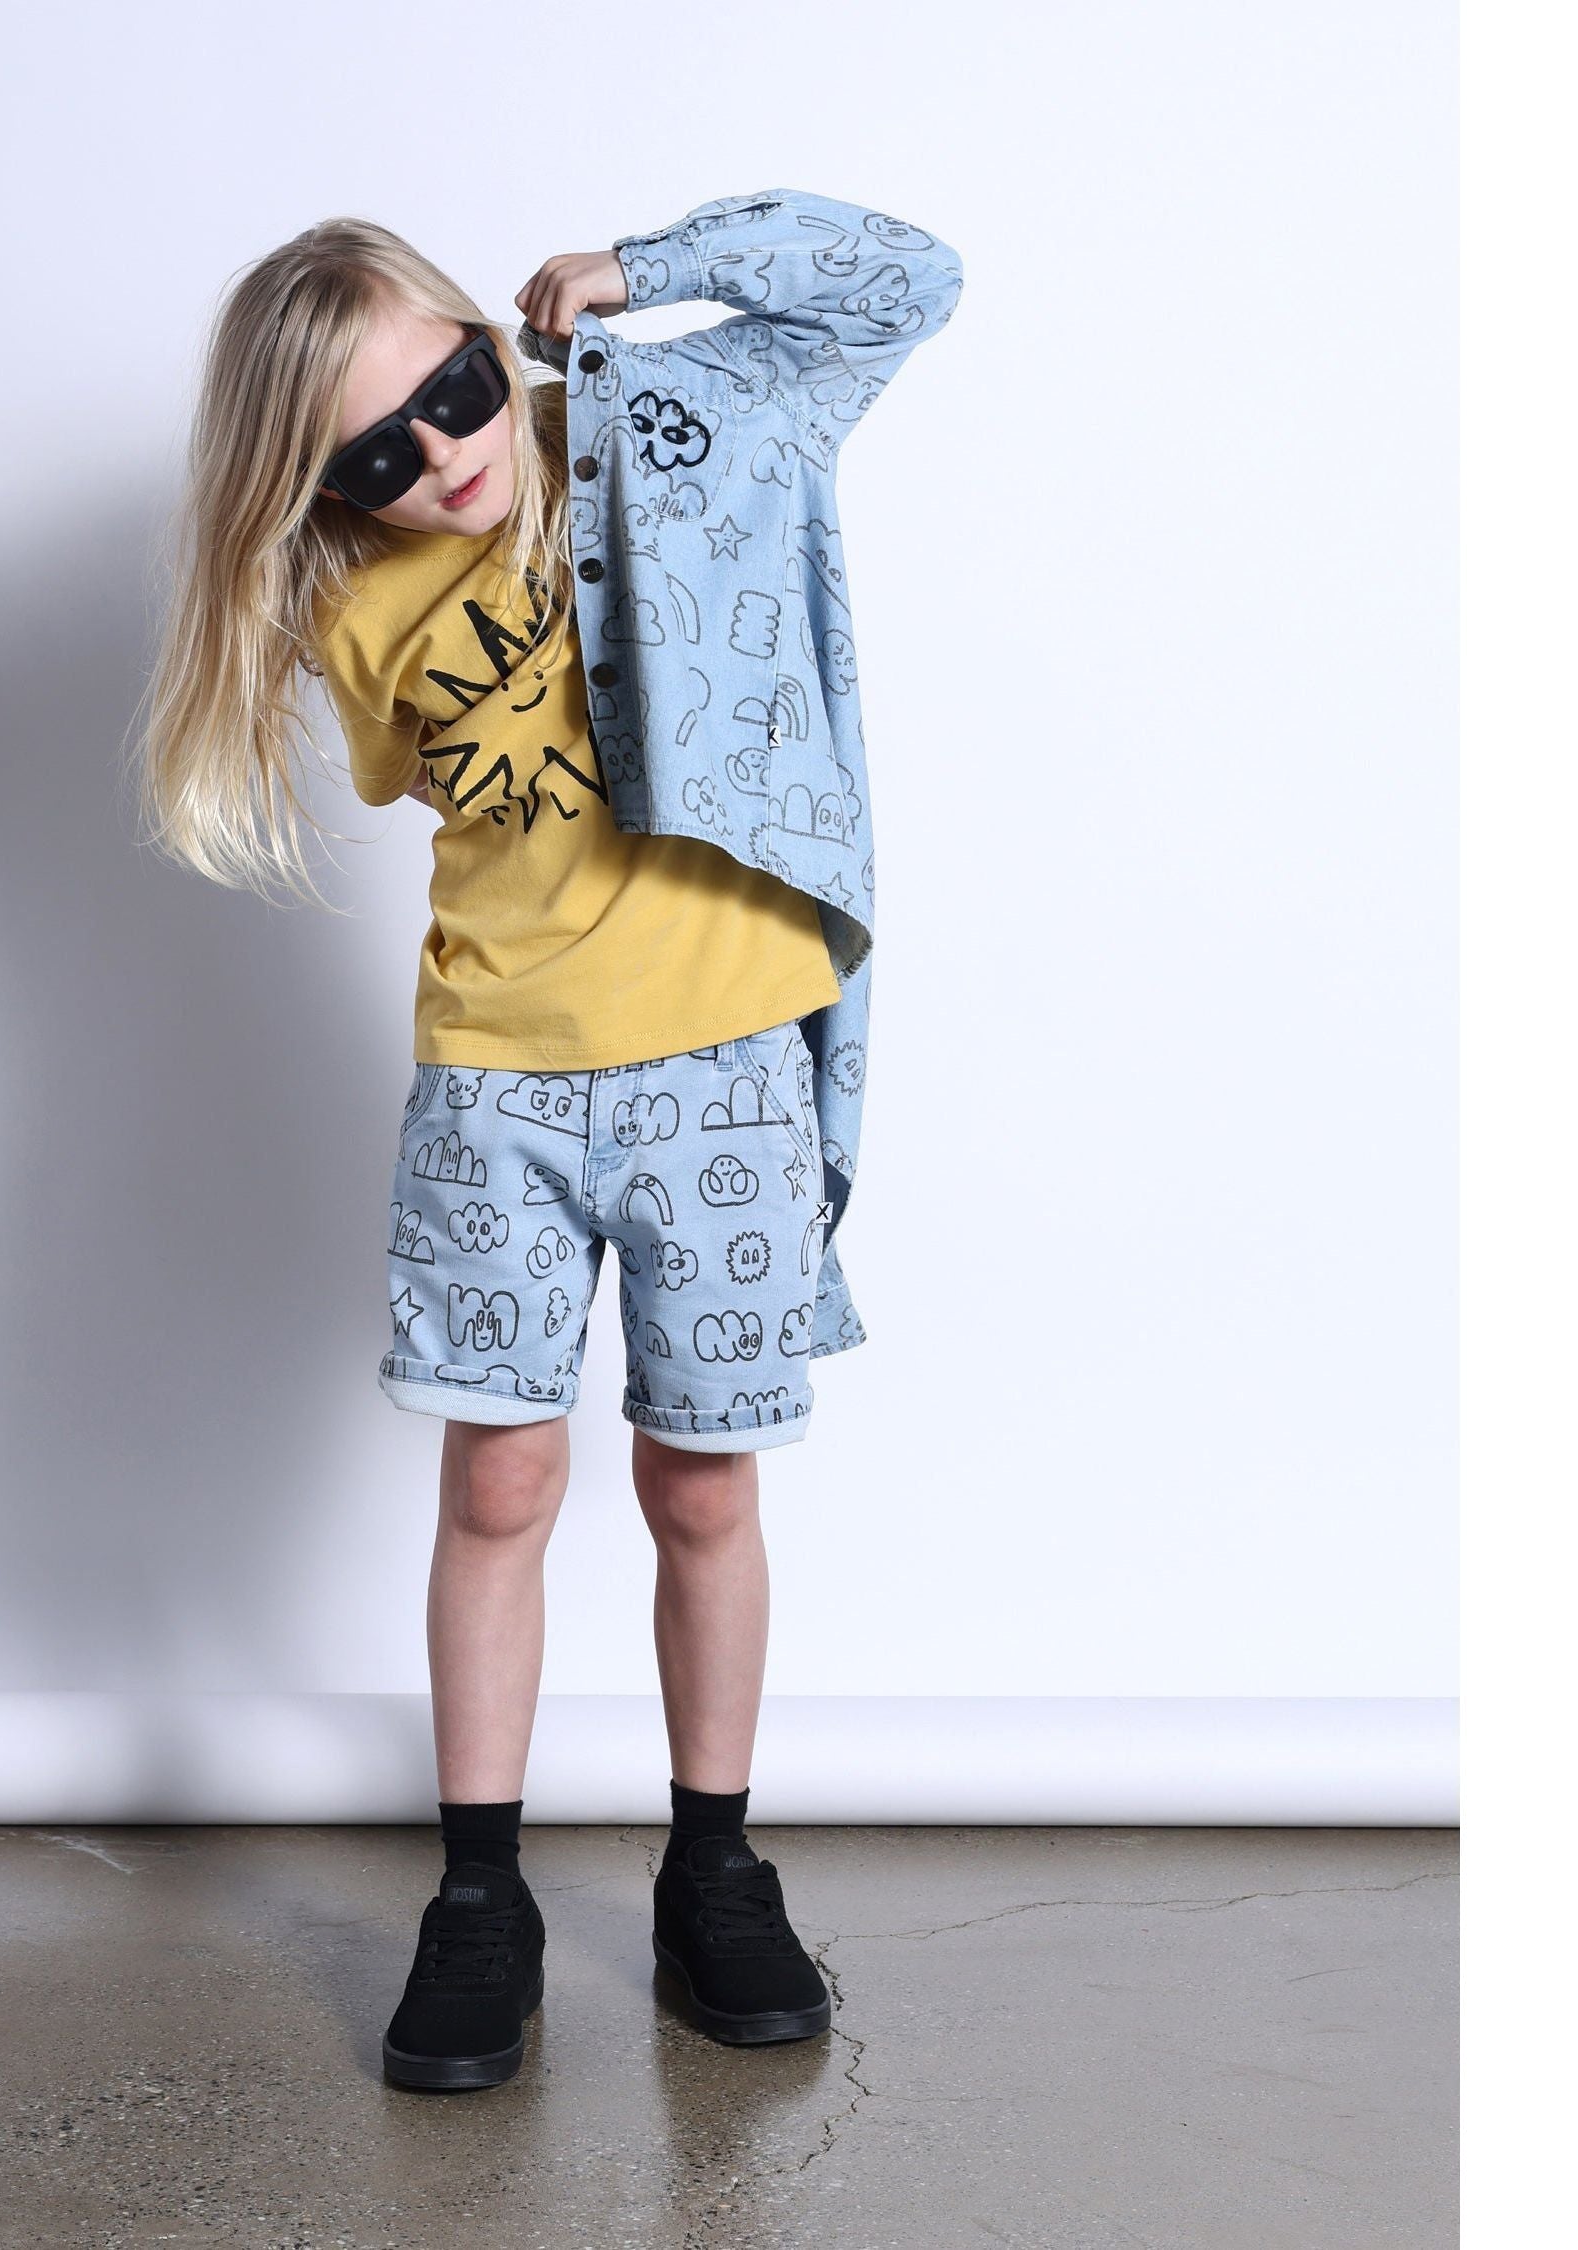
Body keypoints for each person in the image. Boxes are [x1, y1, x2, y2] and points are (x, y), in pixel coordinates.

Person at [136, 188, 962, 2091]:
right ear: (320, 485)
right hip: (493, 1085)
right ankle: (479, 1894)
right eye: (373, 453)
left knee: (704, 1488)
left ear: (486, 335)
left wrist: (656, 272)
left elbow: (908, 281)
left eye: (453, 389)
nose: (442, 455)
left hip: (725, 1069)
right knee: (498, 1485)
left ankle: (714, 1867)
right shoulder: (350, 603)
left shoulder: (683, 422)